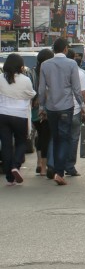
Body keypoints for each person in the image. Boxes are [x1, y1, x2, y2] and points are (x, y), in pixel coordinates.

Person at [37, 38, 85, 185]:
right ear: (65, 49)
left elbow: (41, 89)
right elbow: (76, 89)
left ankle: (55, 168)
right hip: (66, 107)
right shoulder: (71, 64)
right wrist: (82, 106)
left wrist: (41, 107)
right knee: (64, 139)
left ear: (54, 50)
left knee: (56, 138)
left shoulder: (45, 65)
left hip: (51, 107)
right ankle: (59, 172)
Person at [0, 54, 36, 184]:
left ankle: (9, 177)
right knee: (21, 142)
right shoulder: (25, 80)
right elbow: (31, 94)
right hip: (19, 116)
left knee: (6, 145)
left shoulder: (0, 78)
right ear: (20, 66)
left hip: (2, 115)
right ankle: (15, 166)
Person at [67, 49, 85, 177]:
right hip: (75, 110)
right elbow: (84, 94)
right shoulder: (79, 72)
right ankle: (69, 166)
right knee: (73, 138)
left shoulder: (53, 69)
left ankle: (55, 166)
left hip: (57, 109)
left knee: (58, 138)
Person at [31, 49, 54, 176]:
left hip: (34, 110)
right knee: (46, 137)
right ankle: (44, 167)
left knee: (40, 136)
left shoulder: (32, 71)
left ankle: (39, 163)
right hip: (45, 108)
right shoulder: (49, 72)